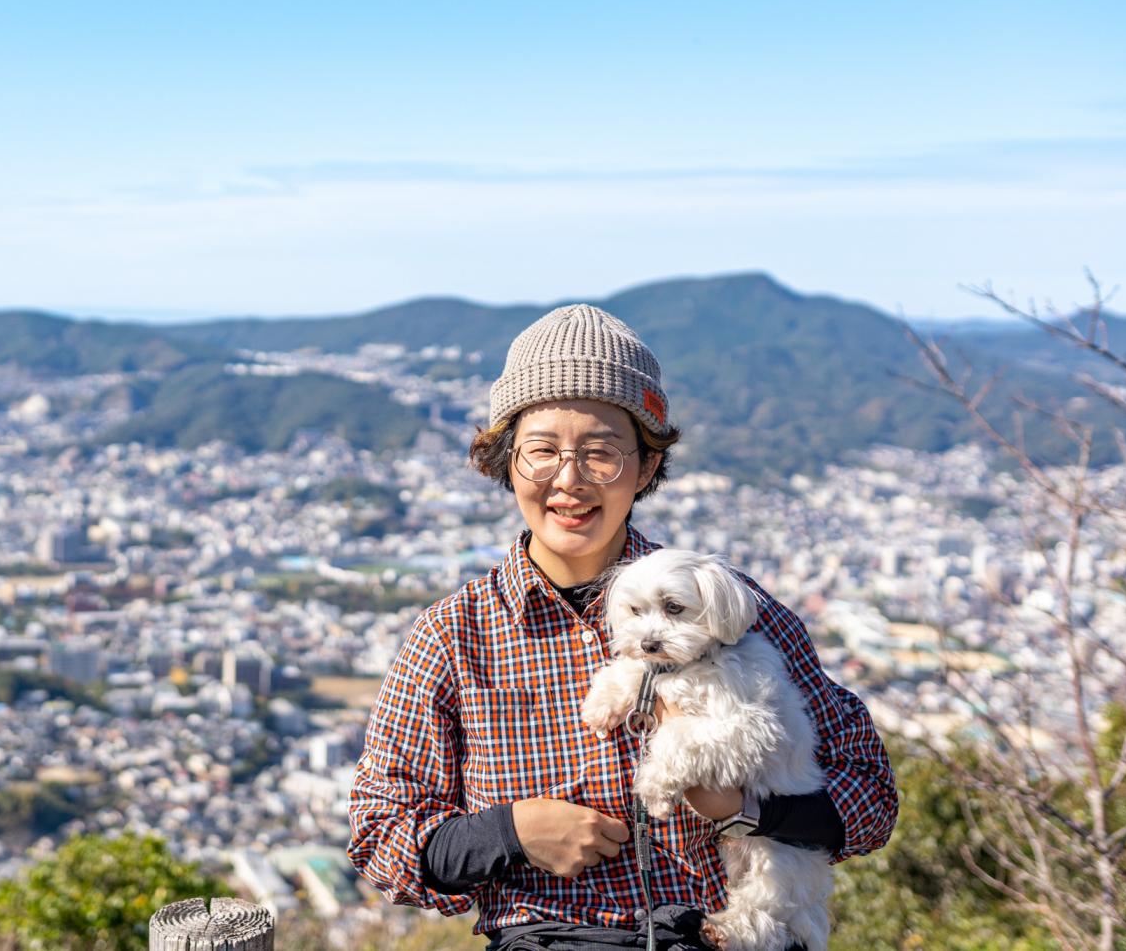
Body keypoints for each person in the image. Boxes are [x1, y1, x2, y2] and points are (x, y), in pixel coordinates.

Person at [347, 304, 897, 950]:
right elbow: (381, 838)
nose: (570, 480)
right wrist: (511, 834)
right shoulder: (456, 635)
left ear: (644, 468)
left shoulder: (737, 612)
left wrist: (742, 810)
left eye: (601, 454)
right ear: (505, 462)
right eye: (541, 451)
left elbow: (869, 801)